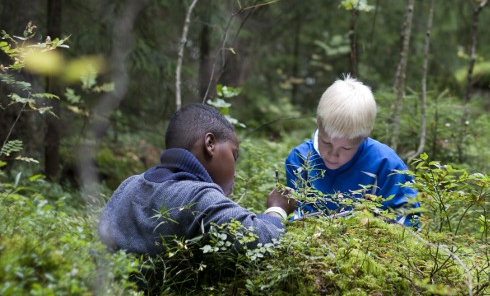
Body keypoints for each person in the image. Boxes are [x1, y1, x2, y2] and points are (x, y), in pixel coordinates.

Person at [98, 103, 297, 256]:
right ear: (210, 144)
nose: (235, 172)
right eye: (233, 155)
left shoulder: (129, 184)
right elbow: (263, 238)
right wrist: (277, 208)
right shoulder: (198, 197)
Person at [284, 75, 419, 226]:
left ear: (364, 137)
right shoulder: (300, 159)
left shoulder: (387, 166)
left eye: (346, 148)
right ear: (318, 124)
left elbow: (407, 223)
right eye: (326, 142)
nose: (333, 154)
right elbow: (297, 217)